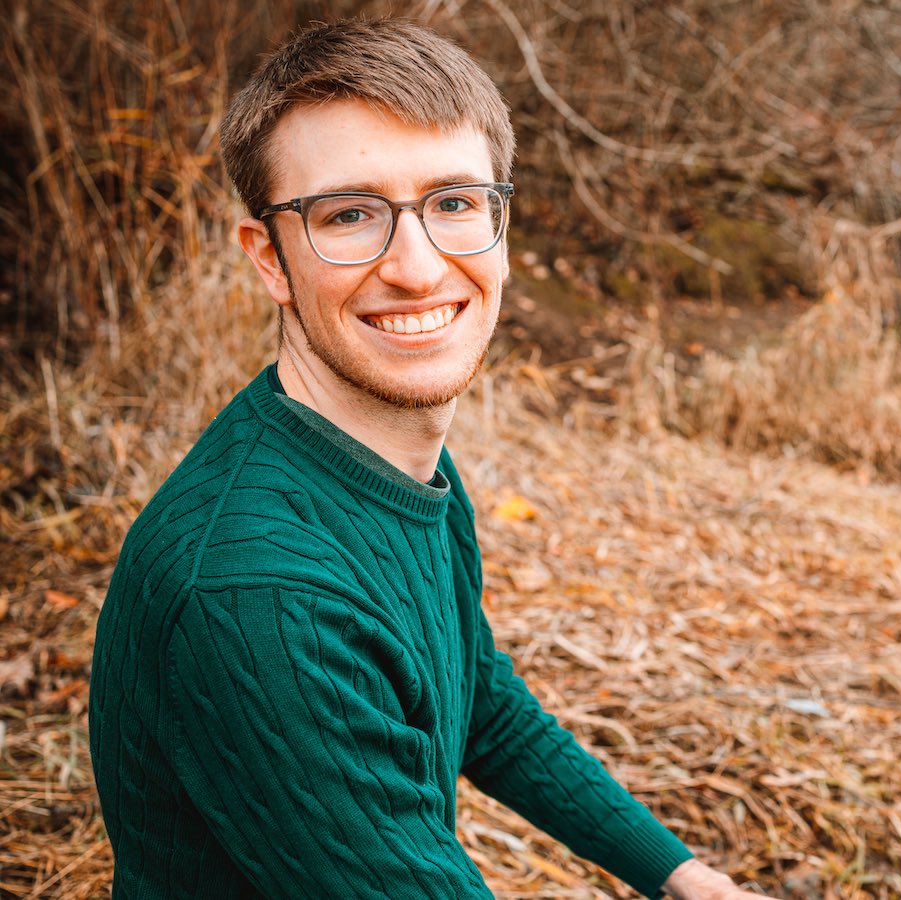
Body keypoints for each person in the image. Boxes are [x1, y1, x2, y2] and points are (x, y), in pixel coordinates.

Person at [89, 17, 766, 900]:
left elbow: (476, 694)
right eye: (350, 214)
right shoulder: (256, 600)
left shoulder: (388, 458)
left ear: (500, 225)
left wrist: (677, 873)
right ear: (270, 259)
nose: (417, 267)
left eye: (453, 202)